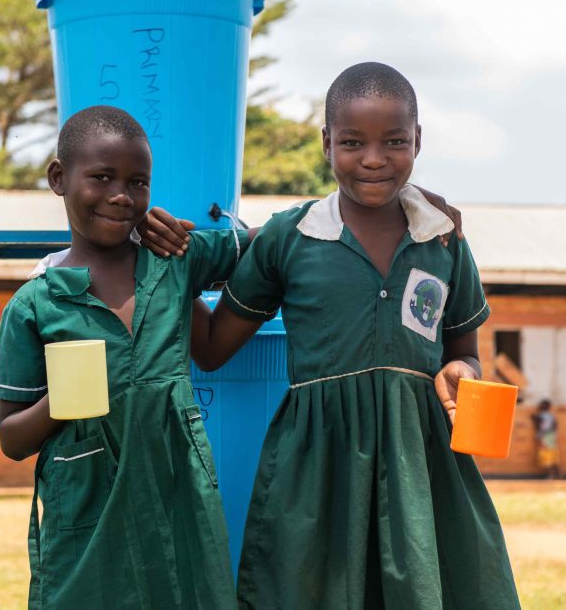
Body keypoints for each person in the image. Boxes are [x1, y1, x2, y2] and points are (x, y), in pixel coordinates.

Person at [187, 62, 520, 609]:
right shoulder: (288, 239)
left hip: (422, 465)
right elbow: (213, 346)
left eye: (394, 141)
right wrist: (168, 272)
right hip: (318, 471)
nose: (372, 158)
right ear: (326, 143)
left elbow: (464, 354)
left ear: (418, 142)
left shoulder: (443, 242)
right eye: (352, 142)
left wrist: (464, 373)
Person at [0, 105, 253, 609]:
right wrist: (61, 401)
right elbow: (10, 439)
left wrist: (401, 203)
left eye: (138, 183)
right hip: (88, 513)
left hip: (179, 499)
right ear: (58, 178)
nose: (121, 196)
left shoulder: (174, 262)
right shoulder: (35, 305)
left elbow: (275, 247)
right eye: (102, 177)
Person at [532, 398, 561, 479]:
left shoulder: (542, 415)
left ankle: (551, 475)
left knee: (547, 456)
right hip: (550, 436)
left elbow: (540, 424)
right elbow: (555, 425)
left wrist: (534, 418)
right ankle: (557, 474)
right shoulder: (550, 416)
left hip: (546, 436)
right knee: (552, 456)